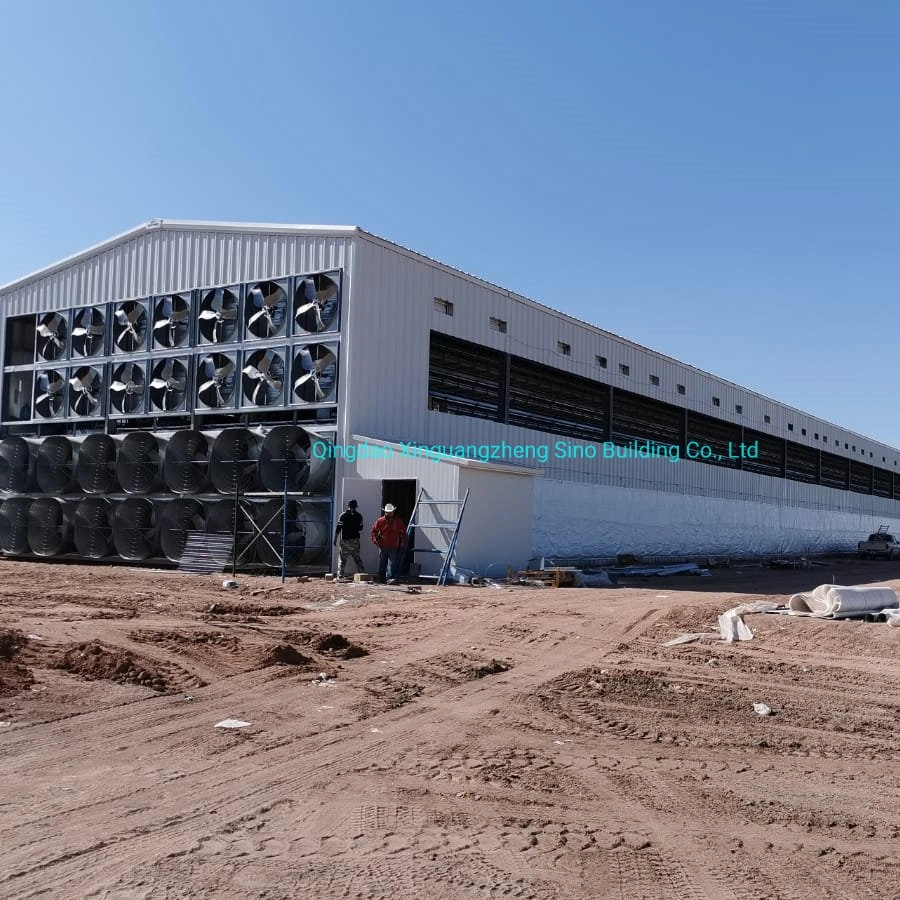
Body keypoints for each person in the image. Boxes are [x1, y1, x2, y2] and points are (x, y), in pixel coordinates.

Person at [371, 503, 406, 584]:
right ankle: (381, 579)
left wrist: (402, 542)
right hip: (382, 546)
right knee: (382, 563)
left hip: (393, 546)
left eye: (390, 512)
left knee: (392, 563)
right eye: (387, 512)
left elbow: (403, 532)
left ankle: (390, 578)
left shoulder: (398, 521)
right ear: (385, 512)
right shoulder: (380, 521)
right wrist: (375, 540)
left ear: (393, 512)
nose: (389, 513)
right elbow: (374, 531)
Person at [333, 499, 364, 580]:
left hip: (345, 541)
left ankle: (340, 576)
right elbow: (361, 528)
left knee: (342, 559)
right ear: (356, 507)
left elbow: (338, 529)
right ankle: (362, 574)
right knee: (357, 559)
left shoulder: (343, 516)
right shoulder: (359, 516)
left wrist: (335, 540)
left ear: (348, 506)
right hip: (355, 541)